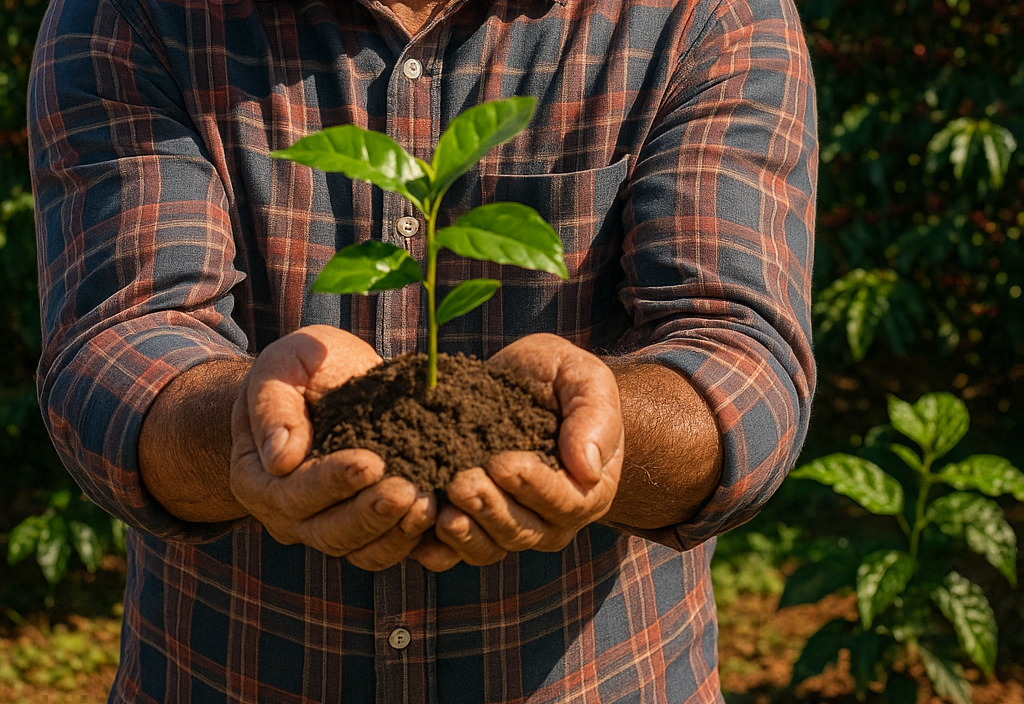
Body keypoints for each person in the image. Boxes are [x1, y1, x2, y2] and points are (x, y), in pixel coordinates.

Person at [29, 0, 816, 698]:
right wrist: (244, 420)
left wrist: (603, 432)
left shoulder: (702, 12)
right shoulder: (131, 13)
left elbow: (742, 356)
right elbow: (119, 338)